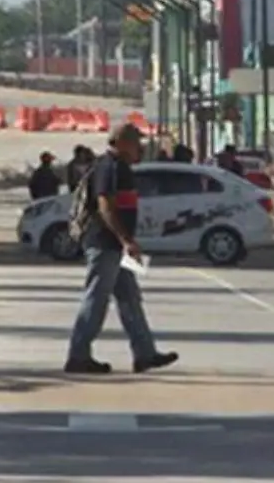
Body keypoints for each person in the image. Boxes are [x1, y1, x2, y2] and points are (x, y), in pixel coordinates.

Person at [65, 123, 179, 375]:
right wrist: (125, 239)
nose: (140, 147)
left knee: (130, 299)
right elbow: (105, 205)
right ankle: (78, 356)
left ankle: (145, 354)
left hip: (118, 246)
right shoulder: (109, 166)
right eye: (135, 142)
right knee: (96, 299)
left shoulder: (122, 168)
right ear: (121, 142)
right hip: (106, 243)